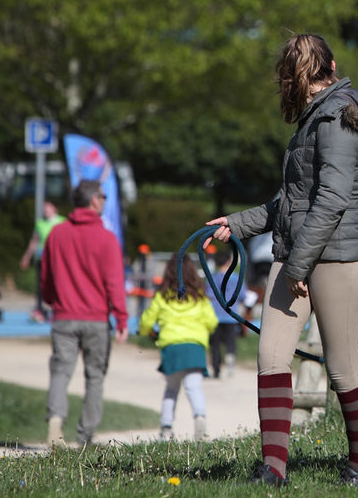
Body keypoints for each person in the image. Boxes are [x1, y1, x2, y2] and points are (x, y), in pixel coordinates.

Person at [207, 33, 358, 487]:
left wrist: (297, 265)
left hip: (339, 261)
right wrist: (236, 224)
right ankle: (273, 470)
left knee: (342, 369)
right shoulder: (311, 123)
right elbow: (290, 203)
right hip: (295, 258)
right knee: (272, 357)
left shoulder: (335, 121)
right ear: (331, 64)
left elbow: (332, 201)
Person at [41, 179, 129, 447]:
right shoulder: (106, 238)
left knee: (60, 371)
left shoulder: (56, 233)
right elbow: (114, 283)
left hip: (64, 316)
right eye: (102, 197)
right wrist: (122, 317)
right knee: (95, 376)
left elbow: (46, 277)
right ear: (93, 201)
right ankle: (85, 435)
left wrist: (50, 300)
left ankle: (56, 420)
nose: (104, 201)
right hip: (96, 320)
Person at [139, 254, 218, 440]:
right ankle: (200, 418)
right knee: (194, 386)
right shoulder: (200, 297)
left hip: (171, 347)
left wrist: (146, 331)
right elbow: (212, 322)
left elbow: (147, 321)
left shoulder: (163, 296)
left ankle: (166, 428)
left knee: (171, 389)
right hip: (195, 347)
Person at [19, 201, 66, 322]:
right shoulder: (40, 223)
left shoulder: (62, 221)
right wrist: (27, 257)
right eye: (44, 210)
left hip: (57, 258)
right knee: (41, 284)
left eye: (48, 209)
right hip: (43, 257)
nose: (46, 211)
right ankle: (39, 309)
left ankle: (57, 309)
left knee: (58, 284)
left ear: (54, 209)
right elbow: (34, 241)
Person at [207, 248, 243, 378]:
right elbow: (243, 295)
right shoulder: (236, 278)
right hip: (231, 316)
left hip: (214, 316)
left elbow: (209, 295)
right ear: (229, 261)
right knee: (230, 342)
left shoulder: (212, 277)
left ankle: (216, 370)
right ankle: (230, 362)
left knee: (214, 345)